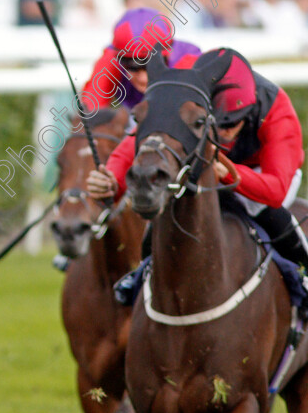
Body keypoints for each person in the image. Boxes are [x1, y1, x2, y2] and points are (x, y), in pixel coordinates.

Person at [88, 48, 308, 307]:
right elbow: (137, 139)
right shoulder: (189, 99)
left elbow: (276, 189)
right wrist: (112, 180)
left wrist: (229, 173)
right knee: (168, 201)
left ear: (247, 112)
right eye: (217, 125)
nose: (223, 135)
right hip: (203, 161)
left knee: (260, 207)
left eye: (230, 125)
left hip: (261, 173)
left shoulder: (277, 112)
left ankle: (300, 274)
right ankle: (143, 272)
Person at [52, 7, 201, 271]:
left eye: (150, 65)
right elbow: (92, 117)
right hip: (136, 121)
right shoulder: (109, 61)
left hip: (183, 130)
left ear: (167, 54)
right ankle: (79, 222)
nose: (142, 76)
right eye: (132, 67)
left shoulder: (189, 61)